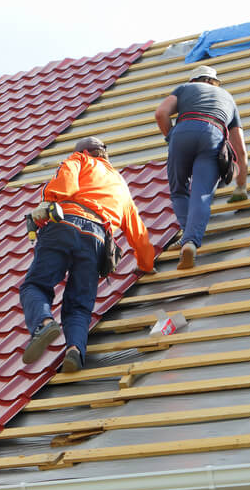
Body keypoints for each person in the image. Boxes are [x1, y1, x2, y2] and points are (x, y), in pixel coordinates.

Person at [19, 136, 157, 373]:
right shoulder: (120, 184)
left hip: (64, 225)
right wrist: (145, 264)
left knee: (35, 285)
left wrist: (48, 202)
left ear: (84, 152)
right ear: (104, 154)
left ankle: (44, 323)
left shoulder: (78, 160)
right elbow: (139, 234)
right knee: (80, 305)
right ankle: (74, 350)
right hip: (97, 238)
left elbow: (66, 187)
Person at [154, 65, 249, 270]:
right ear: (213, 82)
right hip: (213, 133)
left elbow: (161, 114)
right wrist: (241, 187)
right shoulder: (228, 98)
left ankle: (188, 233)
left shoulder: (184, 89)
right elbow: (240, 150)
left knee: (179, 189)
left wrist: (171, 137)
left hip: (183, 130)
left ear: (193, 80)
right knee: (202, 193)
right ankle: (190, 241)